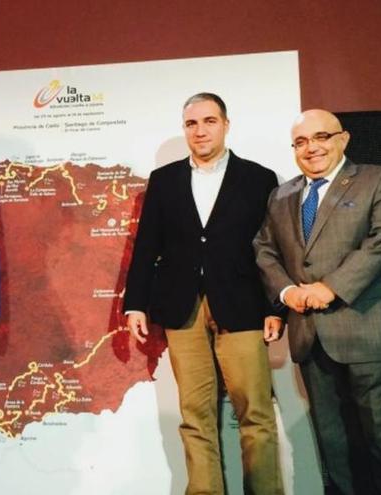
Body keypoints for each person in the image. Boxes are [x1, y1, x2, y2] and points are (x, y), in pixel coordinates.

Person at [122, 93, 282, 494]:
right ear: (184, 129)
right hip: (183, 308)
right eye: (192, 124)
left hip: (243, 307)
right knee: (195, 416)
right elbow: (147, 246)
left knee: (256, 416)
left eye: (209, 121)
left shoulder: (259, 178)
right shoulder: (165, 180)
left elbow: (272, 249)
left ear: (226, 125)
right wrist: (135, 303)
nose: (200, 130)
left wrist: (274, 307)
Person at [254, 109, 381, 494]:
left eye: (321, 137)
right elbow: (264, 250)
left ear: (343, 139)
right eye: (301, 141)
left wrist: (331, 287)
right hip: (309, 338)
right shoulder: (281, 195)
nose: (312, 148)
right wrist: (288, 292)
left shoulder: (378, 179)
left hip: (368, 334)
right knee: (334, 448)